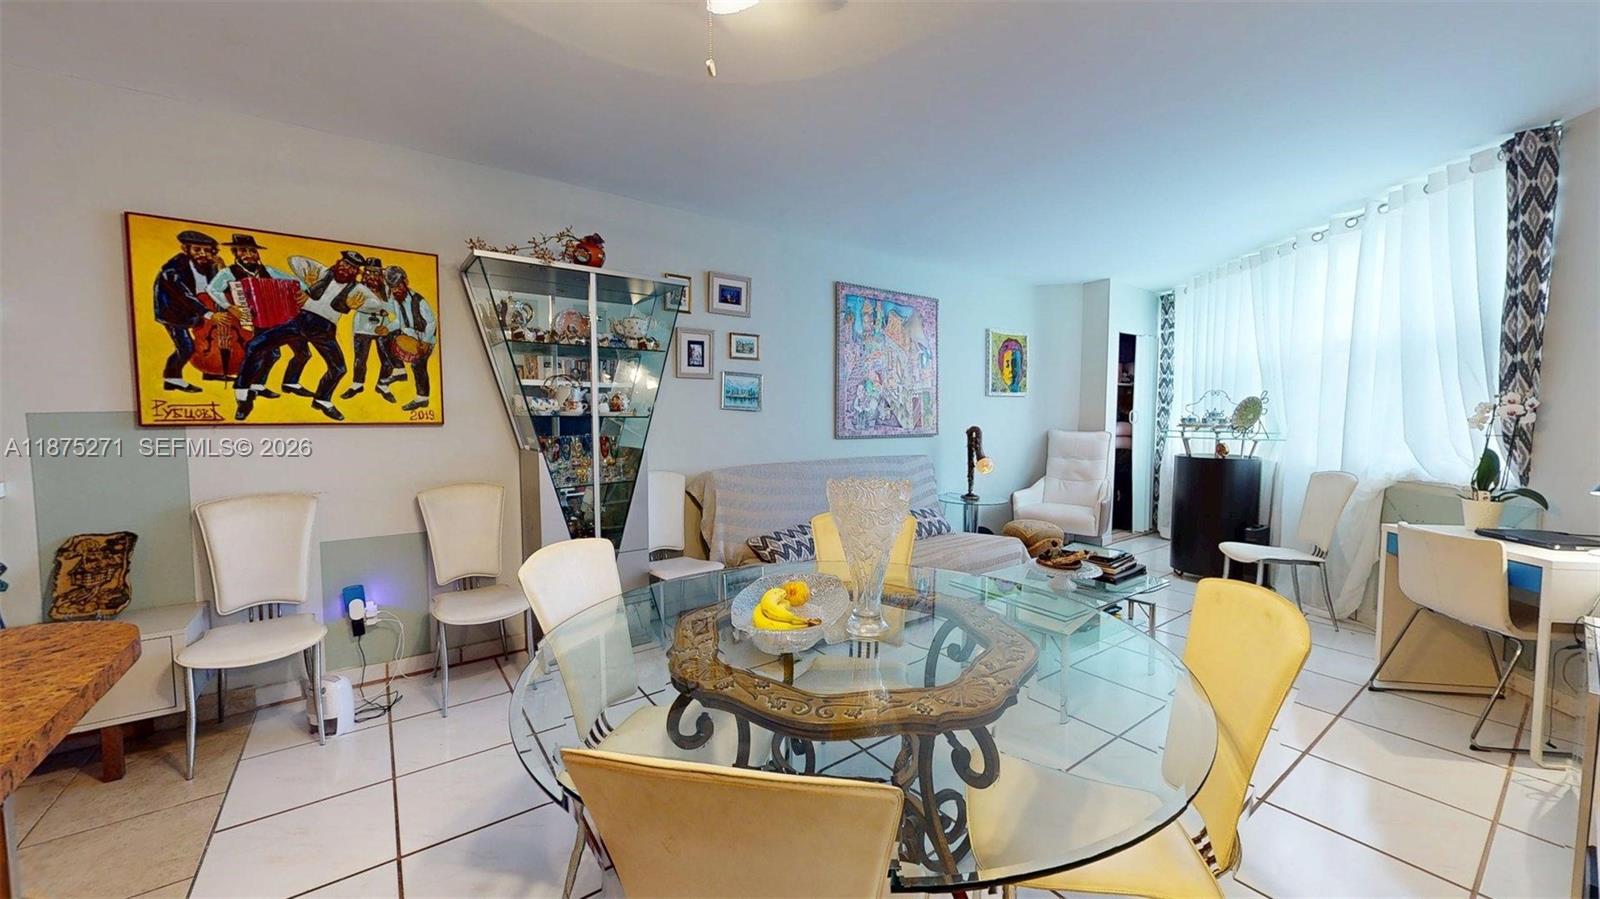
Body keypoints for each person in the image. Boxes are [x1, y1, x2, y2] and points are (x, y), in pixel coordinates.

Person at [232, 250, 376, 421]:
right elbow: (294, 260)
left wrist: (357, 305)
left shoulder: (357, 289)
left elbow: (376, 304)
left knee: (339, 368)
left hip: (323, 329)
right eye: (345, 263)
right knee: (254, 346)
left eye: (352, 267)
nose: (346, 268)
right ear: (339, 262)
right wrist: (308, 281)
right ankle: (243, 396)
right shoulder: (322, 273)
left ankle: (322, 400)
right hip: (300, 321)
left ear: (356, 271)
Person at [204, 234, 298, 391]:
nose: (249, 255)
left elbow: (295, 282)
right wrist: (229, 306)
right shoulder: (228, 273)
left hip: (268, 319)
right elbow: (212, 289)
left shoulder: (268, 271)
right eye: (243, 250)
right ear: (235, 253)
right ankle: (246, 387)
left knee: (273, 354)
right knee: (262, 352)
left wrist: (302, 292)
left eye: (252, 251)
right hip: (244, 320)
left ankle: (257, 385)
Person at [152, 229, 222, 393]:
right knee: (186, 347)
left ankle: (209, 371)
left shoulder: (210, 266)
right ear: (186, 249)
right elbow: (184, 295)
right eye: (197, 249)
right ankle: (172, 379)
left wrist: (222, 269)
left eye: (207, 250)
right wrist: (208, 314)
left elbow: (215, 289)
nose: (202, 253)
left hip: (197, 309)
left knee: (207, 342)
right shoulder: (173, 269)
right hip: (174, 312)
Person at [342, 255, 400, 401]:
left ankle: (383, 384)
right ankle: (357, 384)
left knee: (387, 359)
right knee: (360, 359)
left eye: (375, 272)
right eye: (368, 271)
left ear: (380, 274)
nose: (371, 275)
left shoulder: (387, 290)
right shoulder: (357, 287)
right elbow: (352, 304)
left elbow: (394, 307)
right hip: (362, 327)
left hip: (383, 327)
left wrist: (382, 308)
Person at [384, 265, 437, 412]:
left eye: (398, 286)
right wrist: (386, 329)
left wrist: (426, 341)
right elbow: (399, 322)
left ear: (406, 282)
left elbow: (431, 322)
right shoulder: (396, 301)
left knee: (418, 365)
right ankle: (400, 371)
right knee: (385, 338)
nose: (396, 290)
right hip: (409, 335)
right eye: (392, 288)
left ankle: (422, 398)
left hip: (425, 338)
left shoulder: (419, 301)